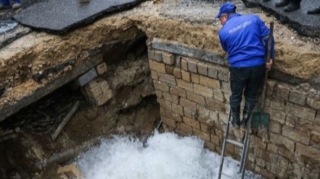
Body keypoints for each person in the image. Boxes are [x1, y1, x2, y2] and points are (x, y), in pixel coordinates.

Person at [215, 2, 274, 130]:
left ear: (225, 16)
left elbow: (227, 49)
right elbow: (268, 39)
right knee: (251, 94)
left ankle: (235, 121)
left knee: (236, 95)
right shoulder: (254, 18)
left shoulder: (223, 32)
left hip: (239, 68)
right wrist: (270, 58)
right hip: (258, 65)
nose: (220, 22)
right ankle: (245, 120)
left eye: (220, 19)